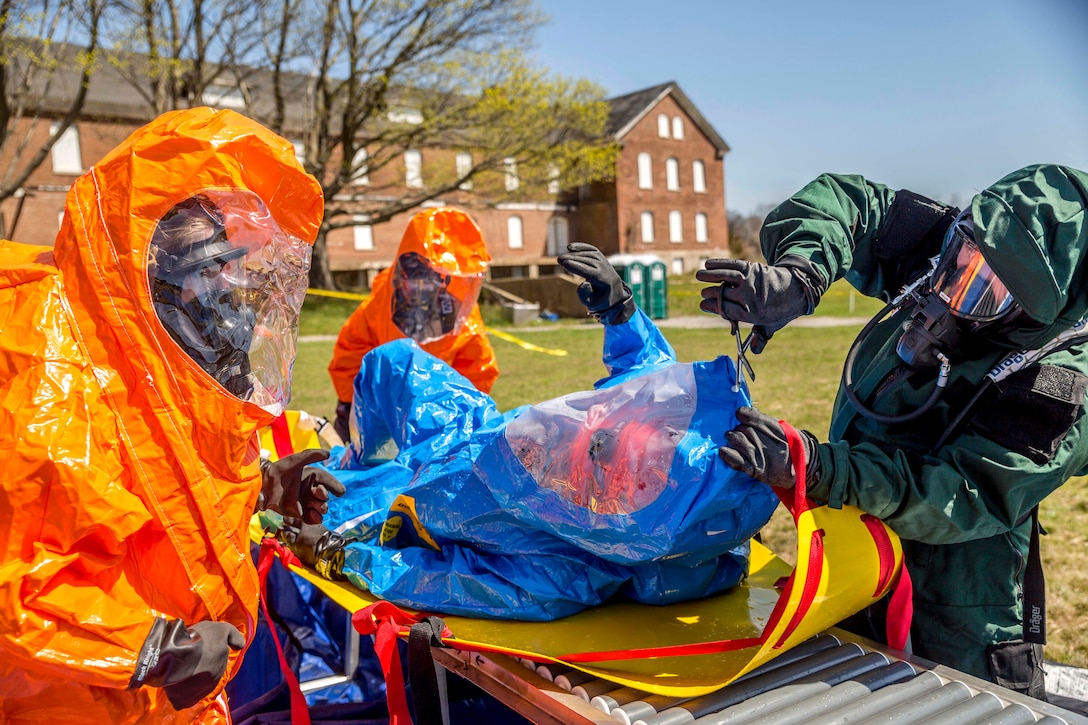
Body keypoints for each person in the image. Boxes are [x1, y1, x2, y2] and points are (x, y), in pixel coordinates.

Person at [0, 107, 346, 723]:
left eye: (235, 270)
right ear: (153, 267)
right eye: (213, 269)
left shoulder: (147, 357)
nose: (230, 295)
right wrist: (152, 648)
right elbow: (20, 581)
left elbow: (161, 486)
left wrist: (261, 487)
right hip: (76, 704)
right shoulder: (54, 377)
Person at [696, 163, 1088, 697]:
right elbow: (849, 205)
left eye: (984, 293)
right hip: (860, 567)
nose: (954, 289)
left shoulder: (1063, 377)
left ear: (1029, 313)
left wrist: (815, 466)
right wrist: (800, 272)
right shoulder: (957, 252)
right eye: (961, 259)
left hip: (960, 617)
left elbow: (962, 495)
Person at [279, 243, 779, 621]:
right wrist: (621, 311)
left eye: (609, 460)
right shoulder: (658, 465)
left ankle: (360, 471)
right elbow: (649, 386)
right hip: (475, 433)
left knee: (331, 494)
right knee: (389, 361)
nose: (597, 433)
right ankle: (359, 456)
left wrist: (337, 551)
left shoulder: (567, 568)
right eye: (614, 434)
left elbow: (441, 582)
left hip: (429, 502)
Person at [326, 206, 499, 442]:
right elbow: (351, 353)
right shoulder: (381, 305)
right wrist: (353, 405)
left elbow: (477, 368)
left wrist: (462, 412)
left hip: (437, 416)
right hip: (376, 413)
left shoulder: (461, 311)